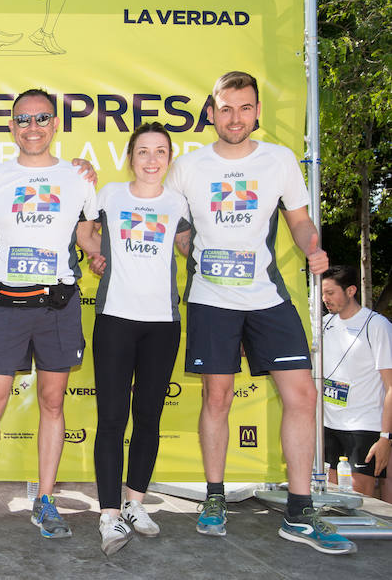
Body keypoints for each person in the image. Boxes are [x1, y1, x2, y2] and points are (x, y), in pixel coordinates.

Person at [164, 71, 354, 554]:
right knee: (218, 398)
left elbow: (300, 220)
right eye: (226, 108)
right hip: (211, 300)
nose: (235, 117)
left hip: (268, 297)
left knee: (303, 395)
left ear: (256, 113)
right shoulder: (187, 166)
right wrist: (193, 250)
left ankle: (299, 509)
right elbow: (174, 224)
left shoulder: (280, 160)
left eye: (245, 108)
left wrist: (313, 249)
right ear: (211, 112)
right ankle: (213, 497)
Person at [0, 88, 97, 540]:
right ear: (11, 126)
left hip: (57, 305)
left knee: (53, 404)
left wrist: (108, 256)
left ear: (55, 124)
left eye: (41, 119)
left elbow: (91, 239)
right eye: (23, 119)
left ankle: (46, 500)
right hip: (6, 306)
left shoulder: (80, 178)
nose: (32, 127)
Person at [87, 122, 191, 554]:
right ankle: (109, 515)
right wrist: (94, 253)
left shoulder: (179, 201)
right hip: (114, 319)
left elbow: (190, 247)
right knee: (111, 419)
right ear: (130, 156)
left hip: (163, 323)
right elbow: (87, 232)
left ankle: (136, 503)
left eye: (160, 152)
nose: (152, 160)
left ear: (170, 159)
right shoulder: (110, 194)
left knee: (148, 417)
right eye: (143, 151)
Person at [321, 264, 392, 503]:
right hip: (329, 424)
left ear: (351, 290)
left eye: (330, 293)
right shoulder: (324, 325)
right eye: (323, 293)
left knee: (360, 502)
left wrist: (385, 437)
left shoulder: (377, 325)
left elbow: (390, 385)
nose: (325, 299)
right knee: (331, 500)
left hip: (364, 426)